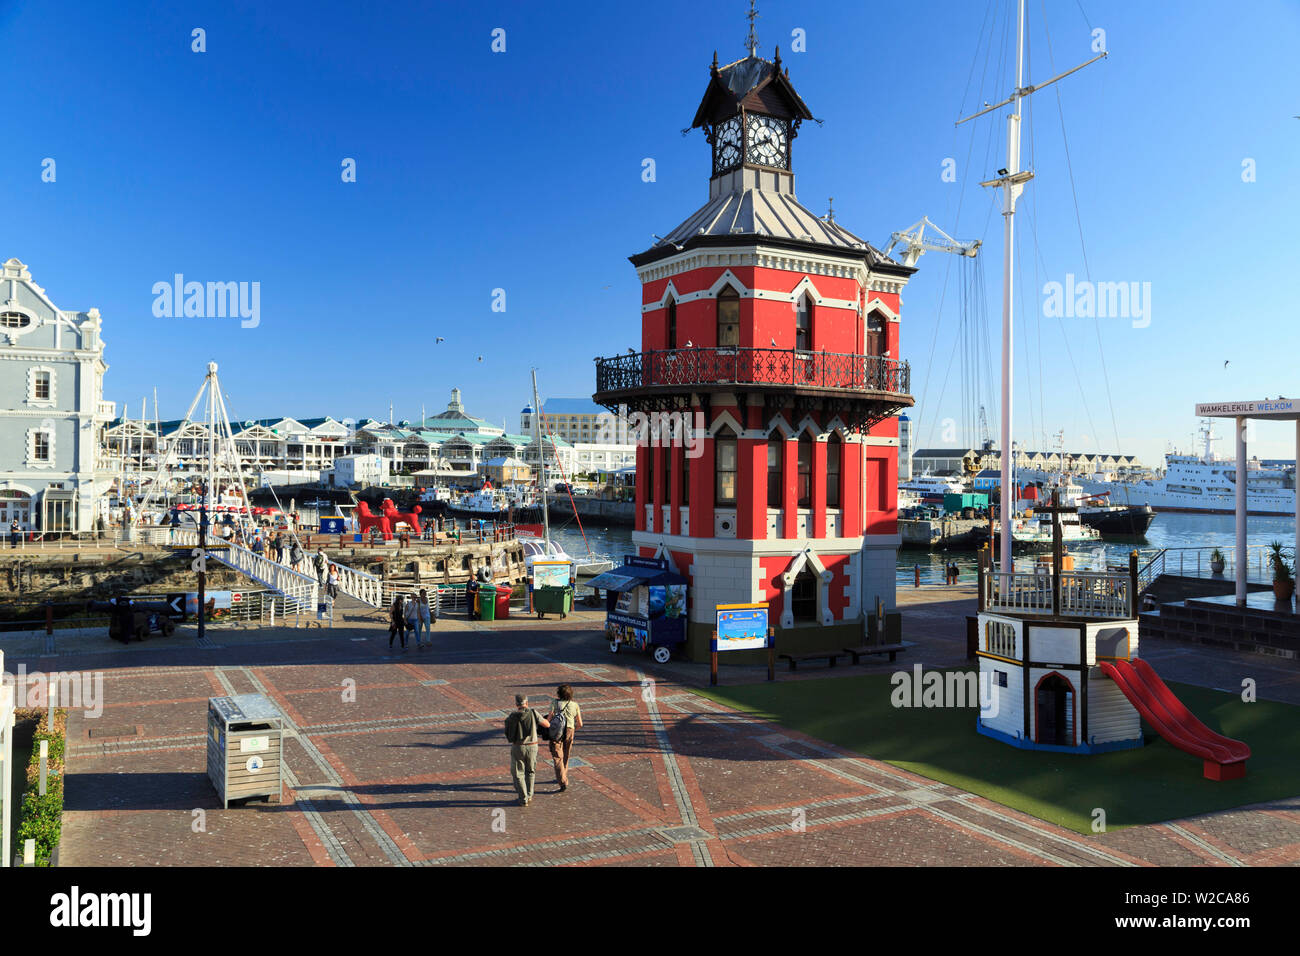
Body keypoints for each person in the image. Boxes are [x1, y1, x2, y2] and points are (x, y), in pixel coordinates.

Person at [504, 694, 550, 807]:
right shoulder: (533, 713)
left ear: (516, 704)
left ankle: (523, 797)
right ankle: (529, 795)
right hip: (533, 746)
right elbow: (547, 724)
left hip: (518, 747)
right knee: (530, 771)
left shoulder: (512, 717)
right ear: (527, 703)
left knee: (518, 773)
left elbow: (507, 731)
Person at [548, 684, 584, 792]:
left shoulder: (555, 702)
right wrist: (572, 730)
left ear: (559, 694)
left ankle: (562, 781)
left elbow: (549, 718)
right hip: (569, 730)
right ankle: (563, 775)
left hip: (557, 732)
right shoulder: (575, 705)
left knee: (557, 757)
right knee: (566, 754)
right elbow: (580, 724)